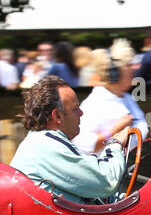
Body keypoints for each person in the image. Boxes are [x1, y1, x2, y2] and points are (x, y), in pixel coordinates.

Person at [9, 76, 129, 205]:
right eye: (75, 108)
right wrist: (115, 144)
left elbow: (94, 192)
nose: (81, 113)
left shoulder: (43, 141)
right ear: (57, 116)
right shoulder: (45, 145)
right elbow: (106, 181)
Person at [73, 45, 150, 154]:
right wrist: (114, 130)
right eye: (129, 65)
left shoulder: (127, 98)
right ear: (116, 72)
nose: (134, 69)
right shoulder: (94, 103)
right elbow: (83, 146)